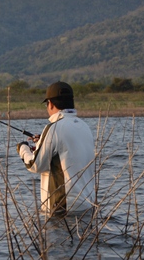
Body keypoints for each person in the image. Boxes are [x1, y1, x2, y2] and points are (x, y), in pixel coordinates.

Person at [16, 81, 96, 217]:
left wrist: (23, 148)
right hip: (88, 206)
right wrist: (43, 141)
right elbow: (66, 151)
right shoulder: (84, 127)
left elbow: (34, 165)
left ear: (51, 104)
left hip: (62, 210)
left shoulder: (53, 128)